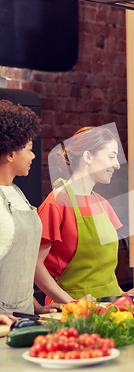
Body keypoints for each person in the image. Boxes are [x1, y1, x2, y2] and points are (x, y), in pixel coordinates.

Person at [35, 125, 134, 303]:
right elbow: (34, 267)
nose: (116, 165)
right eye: (111, 156)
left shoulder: (102, 203)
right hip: (73, 314)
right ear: (88, 156)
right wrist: (71, 304)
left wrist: (122, 294)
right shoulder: (56, 204)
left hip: (112, 307)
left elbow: (100, 269)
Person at [0, 99, 60, 315]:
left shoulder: (16, 193)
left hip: (24, 316)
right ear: (10, 153)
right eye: (28, 149)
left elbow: (19, 270)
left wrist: (38, 308)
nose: (33, 155)